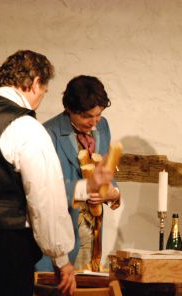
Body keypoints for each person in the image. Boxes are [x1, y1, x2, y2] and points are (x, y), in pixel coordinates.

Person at [0, 50, 114, 296]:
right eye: (43, 91)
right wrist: (60, 258)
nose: (40, 99)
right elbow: (44, 198)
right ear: (33, 83)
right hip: (2, 248)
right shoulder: (24, 126)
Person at [36, 75, 120, 273]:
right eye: (86, 116)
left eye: (98, 115)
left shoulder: (103, 126)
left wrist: (113, 192)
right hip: (64, 230)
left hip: (93, 229)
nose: (93, 122)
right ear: (69, 109)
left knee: (89, 285)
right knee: (61, 295)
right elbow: (46, 190)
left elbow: (106, 169)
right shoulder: (48, 133)